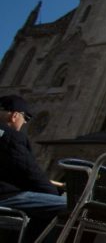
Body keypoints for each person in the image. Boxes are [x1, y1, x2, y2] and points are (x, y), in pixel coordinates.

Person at [0, 95, 66, 242]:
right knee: (68, 206)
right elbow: (30, 173)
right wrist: (54, 193)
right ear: (15, 116)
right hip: (5, 195)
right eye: (26, 119)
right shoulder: (10, 137)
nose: (24, 123)